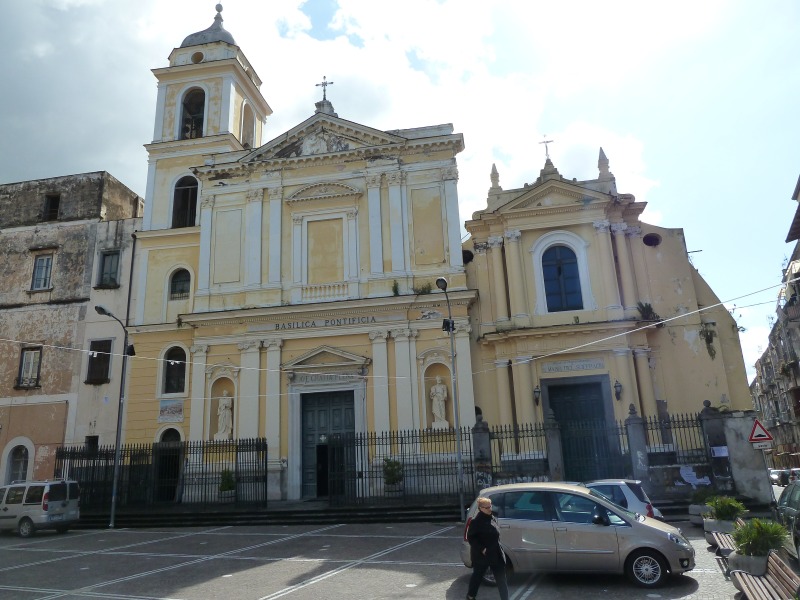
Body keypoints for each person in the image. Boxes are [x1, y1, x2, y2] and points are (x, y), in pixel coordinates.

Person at [466, 497, 509, 600]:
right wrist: (482, 549)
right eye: (487, 507)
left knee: (501, 580)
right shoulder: (476, 522)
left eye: (490, 506)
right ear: (480, 508)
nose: (490, 509)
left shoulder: (492, 517)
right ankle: (470, 596)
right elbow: (471, 538)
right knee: (477, 578)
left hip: (496, 553)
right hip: (482, 556)